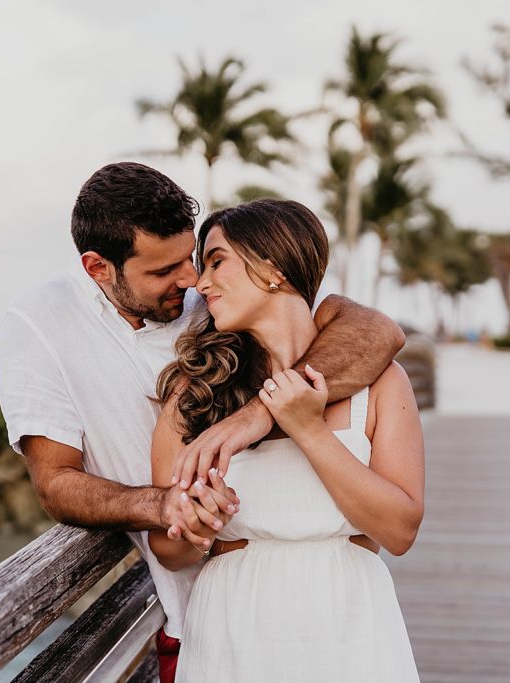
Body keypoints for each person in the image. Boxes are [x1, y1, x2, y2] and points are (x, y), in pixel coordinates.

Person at [0, 162, 406, 683]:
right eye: (164, 270)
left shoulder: (218, 301)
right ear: (98, 268)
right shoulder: (40, 322)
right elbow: (55, 483)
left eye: (192, 259)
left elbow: (373, 330)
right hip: (194, 613)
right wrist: (165, 503)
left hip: (335, 617)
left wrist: (259, 416)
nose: (190, 280)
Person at [150, 199, 424, 682]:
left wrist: (308, 429)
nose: (200, 282)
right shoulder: (193, 393)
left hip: (349, 624)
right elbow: (167, 551)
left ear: (272, 267)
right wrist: (197, 523)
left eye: (216, 261)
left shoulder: (382, 383)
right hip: (234, 628)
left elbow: (400, 531)